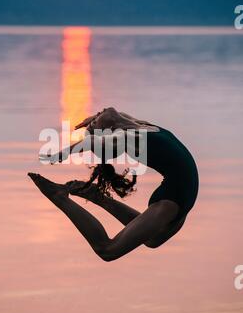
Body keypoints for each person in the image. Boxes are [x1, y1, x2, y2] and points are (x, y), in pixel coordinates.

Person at [28, 107, 199, 261]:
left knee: (153, 240)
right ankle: (59, 197)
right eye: (95, 123)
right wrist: (66, 151)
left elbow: (111, 114)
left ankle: (99, 198)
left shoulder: (137, 124)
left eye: (95, 122)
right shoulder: (128, 135)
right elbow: (95, 140)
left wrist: (95, 119)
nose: (95, 119)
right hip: (173, 198)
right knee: (107, 250)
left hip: (183, 193)